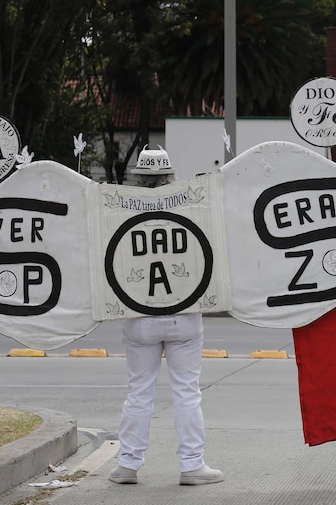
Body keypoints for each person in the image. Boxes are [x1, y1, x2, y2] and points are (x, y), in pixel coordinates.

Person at [110, 146, 223, 486]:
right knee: (187, 392)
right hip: (184, 312)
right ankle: (192, 465)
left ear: (138, 177)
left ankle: (127, 464)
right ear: (171, 176)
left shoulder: (119, 213)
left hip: (138, 313)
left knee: (138, 391)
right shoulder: (191, 208)